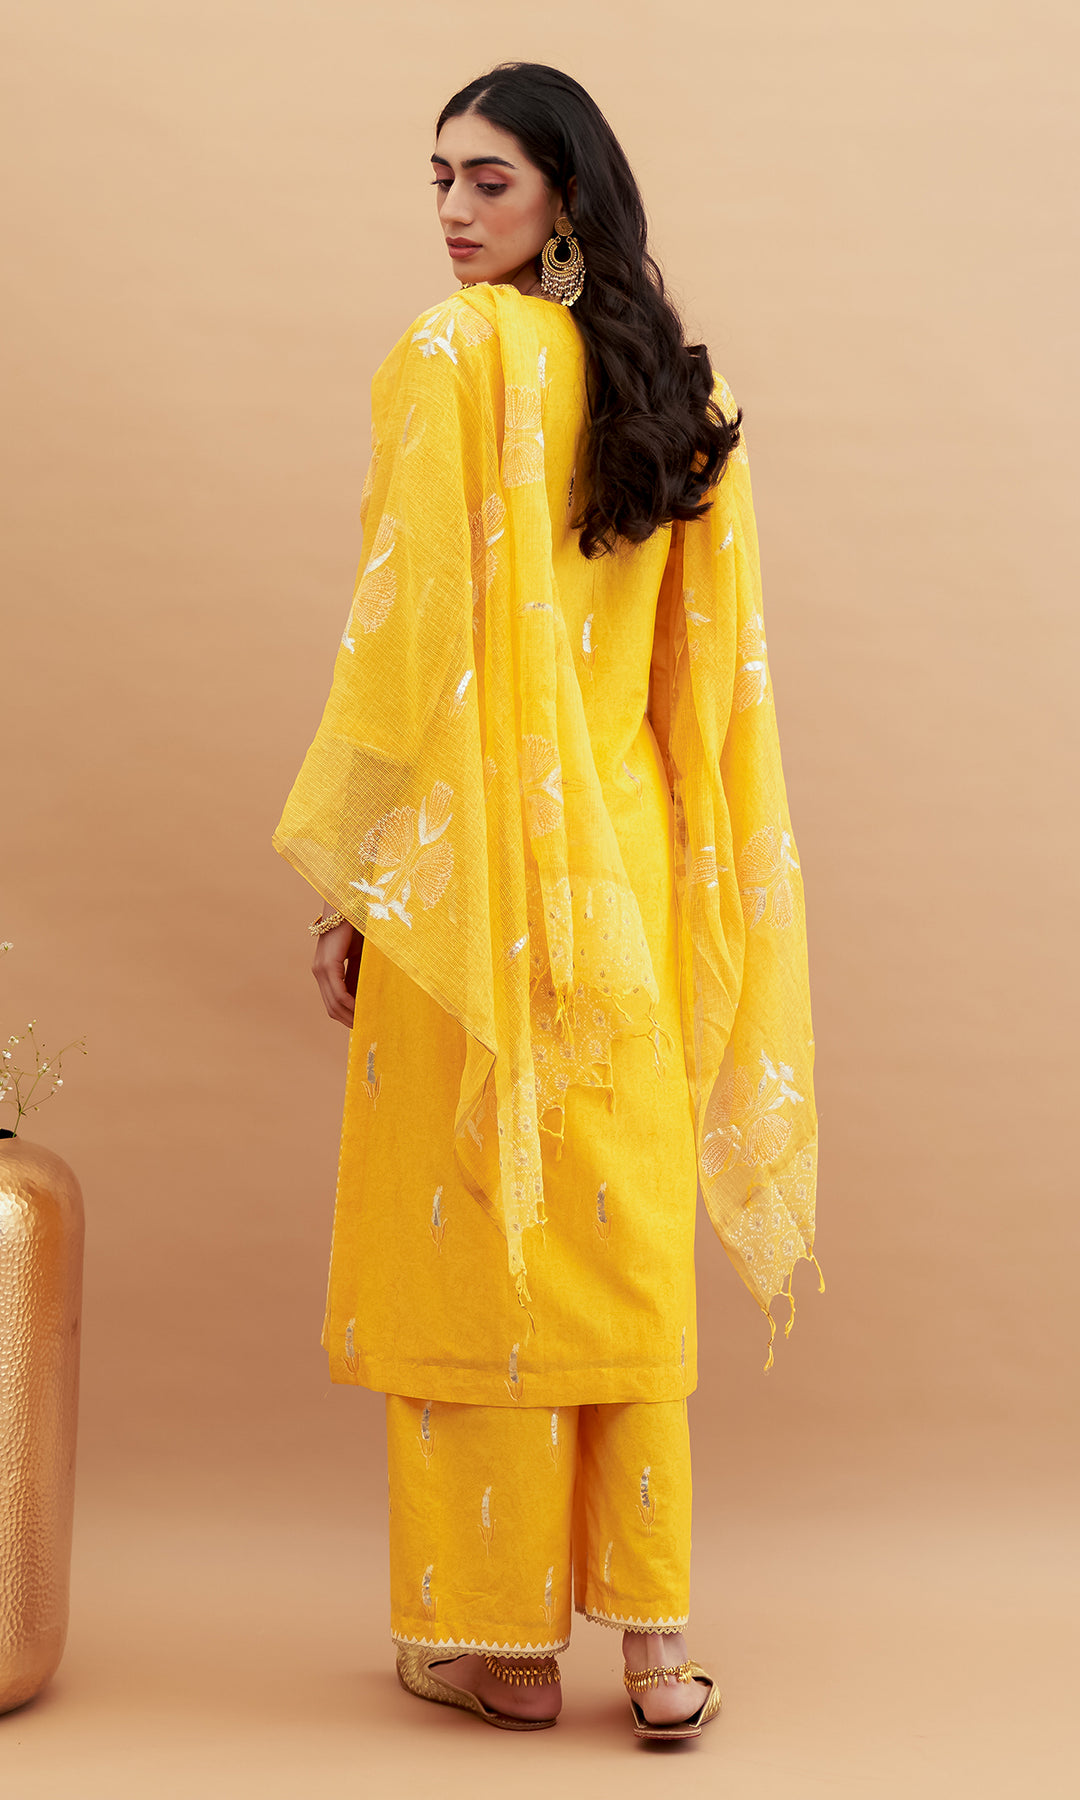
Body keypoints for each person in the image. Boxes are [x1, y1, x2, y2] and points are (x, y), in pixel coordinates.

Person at [273, 61, 820, 1742]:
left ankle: (500, 1647)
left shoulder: (453, 356)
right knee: (620, 1236)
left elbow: (409, 646)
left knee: (478, 1238)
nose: (453, 210)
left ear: (565, 194)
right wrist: (698, 891)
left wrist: (361, 882)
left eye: (489, 179)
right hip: (634, 873)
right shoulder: (684, 392)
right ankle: (655, 1649)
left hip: (482, 877)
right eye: (438, 177)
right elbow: (708, 696)